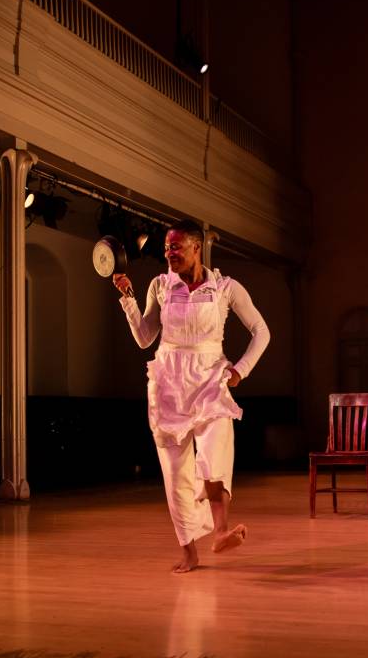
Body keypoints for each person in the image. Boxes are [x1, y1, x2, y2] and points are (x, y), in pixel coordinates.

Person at [114, 220, 270, 574]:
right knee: (175, 473)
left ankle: (220, 532)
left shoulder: (225, 288)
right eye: (167, 248)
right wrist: (128, 298)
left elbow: (261, 331)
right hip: (169, 382)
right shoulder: (159, 286)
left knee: (215, 455)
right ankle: (189, 552)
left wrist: (240, 369)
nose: (169, 254)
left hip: (211, 378)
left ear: (196, 247)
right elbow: (144, 337)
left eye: (176, 247)